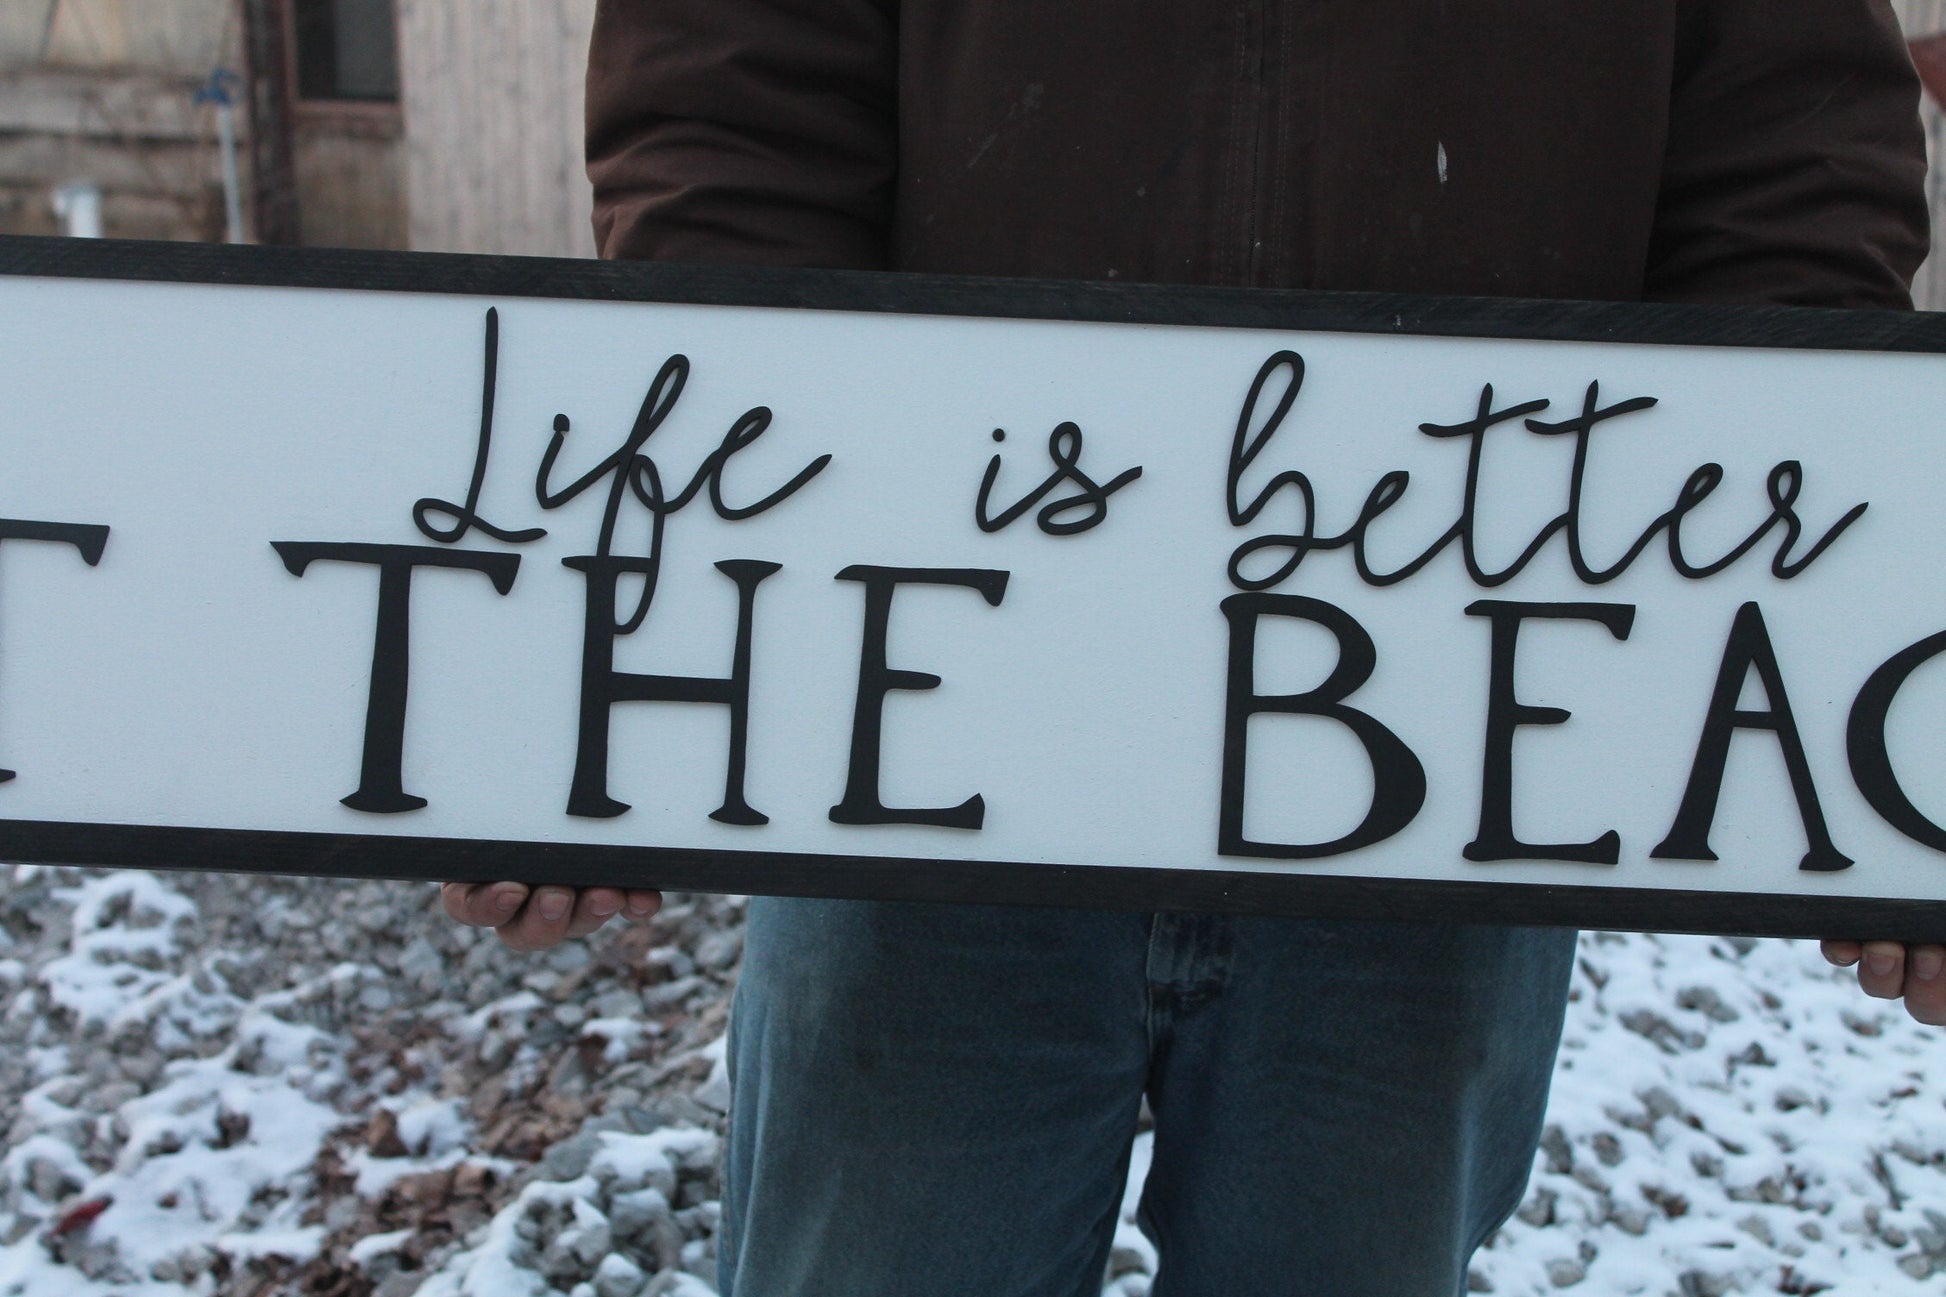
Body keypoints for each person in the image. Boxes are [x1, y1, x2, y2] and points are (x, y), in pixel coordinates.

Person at [446, 2, 1940, 1291]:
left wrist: (1827, 693)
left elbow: (1788, 181)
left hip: (1445, 756)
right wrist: (689, 628)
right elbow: (730, 134)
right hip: (932, 743)